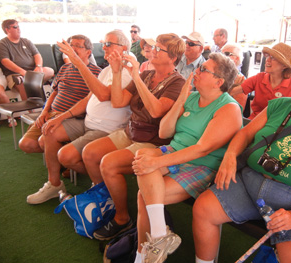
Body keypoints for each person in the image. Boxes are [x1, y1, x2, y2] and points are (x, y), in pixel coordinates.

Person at [192, 48, 291, 263]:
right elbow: (245, 133)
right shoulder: (279, 105)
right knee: (203, 209)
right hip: (250, 183)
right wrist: (230, 157)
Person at [132, 53, 243, 263]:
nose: (196, 72)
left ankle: (143, 255)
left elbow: (201, 149)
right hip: (175, 154)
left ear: (219, 82)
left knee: (143, 195)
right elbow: (164, 132)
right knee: (142, 155)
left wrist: (157, 162)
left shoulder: (229, 108)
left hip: (201, 165)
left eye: (203, 70)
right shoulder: (192, 98)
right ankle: (157, 237)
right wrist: (182, 98)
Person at [81, 33, 186, 241]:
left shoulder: (177, 82)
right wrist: (118, 72)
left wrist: (136, 75)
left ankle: (122, 218)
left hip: (152, 140)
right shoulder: (148, 75)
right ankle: (107, 201)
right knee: (90, 153)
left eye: (158, 49)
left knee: (108, 164)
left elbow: (156, 111)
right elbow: (118, 102)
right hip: (131, 131)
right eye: (153, 48)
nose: (152, 51)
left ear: (173, 58)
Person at [26, 30, 132, 204]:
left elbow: (104, 95)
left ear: (124, 48)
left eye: (109, 44)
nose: (104, 47)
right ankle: (55, 184)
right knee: (50, 131)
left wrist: (77, 62)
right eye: (104, 43)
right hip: (87, 122)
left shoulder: (126, 72)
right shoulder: (105, 71)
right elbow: (87, 99)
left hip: (105, 128)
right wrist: (60, 117)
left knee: (65, 156)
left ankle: (104, 185)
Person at [19, 34, 101, 154]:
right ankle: (62, 158)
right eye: (70, 45)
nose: (72, 48)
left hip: (72, 118)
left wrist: (61, 117)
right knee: (26, 144)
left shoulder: (97, 73)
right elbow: (54, 92)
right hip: (51, 113)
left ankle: (65, 159)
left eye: (77, 46)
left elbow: (93, 101)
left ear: (88, 52)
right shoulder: (64, 68)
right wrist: (44, 111)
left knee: (43, 140)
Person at [230, 42, 291, 119]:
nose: (267, 60)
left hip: (277, 127)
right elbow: (231, 91)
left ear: (284, 65)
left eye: (273, 58)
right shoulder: (259, 78)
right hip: (253, 123)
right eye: (268, 56)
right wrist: (233, 85)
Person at [0, 19, 54, 102]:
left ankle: (32, 80)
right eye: (15, 27)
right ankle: (31, 111)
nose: (19, 29)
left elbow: (37, 55)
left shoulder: (26, 41)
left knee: (50, 71)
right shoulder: (2, 44)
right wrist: (22, 72)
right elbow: (5, 61)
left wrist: (38, 67)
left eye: (18, 26)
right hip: (15, 74)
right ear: (7, 29)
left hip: (32, 72)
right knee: (24, 83)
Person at [221, 43, 248, 109]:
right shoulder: (216, 75)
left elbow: (238, 109)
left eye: (226, 54)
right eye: (221, 54)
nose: (221, 57)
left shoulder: (241, 80)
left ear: (237, 58)